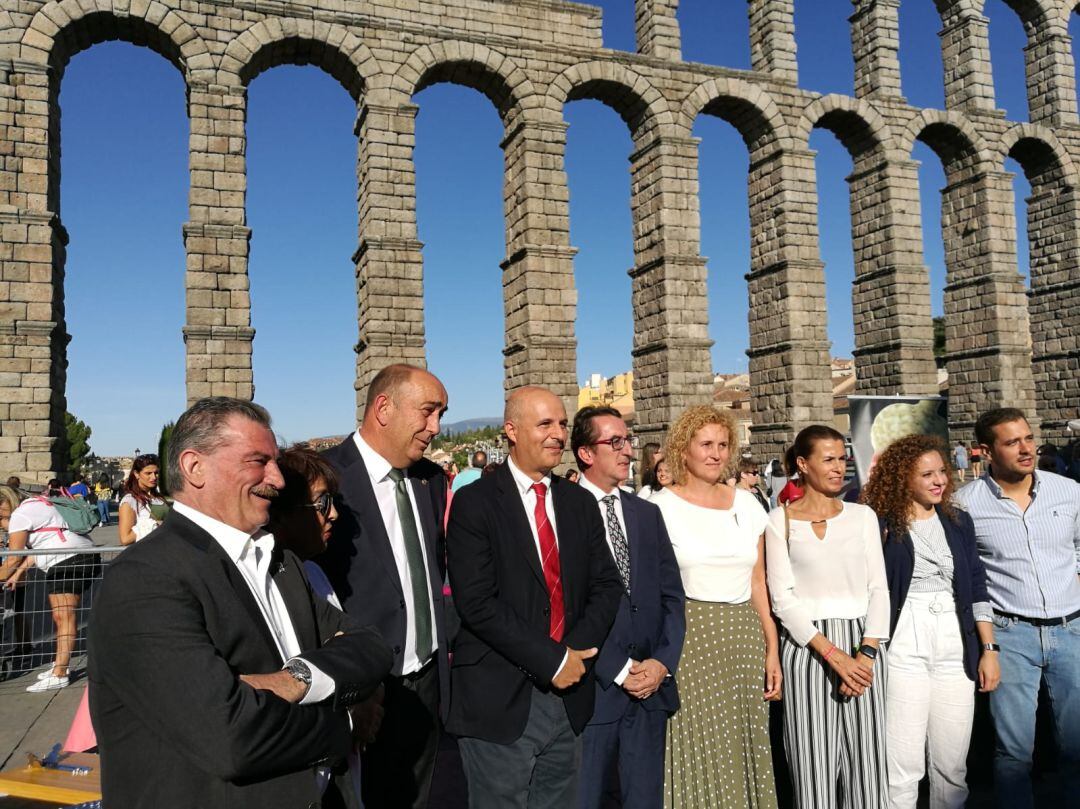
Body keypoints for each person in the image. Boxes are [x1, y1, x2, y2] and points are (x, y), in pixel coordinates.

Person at [88, 397, 393, 809]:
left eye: (275, 462)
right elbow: (231, 737)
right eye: (258, 461)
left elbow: (370, 644)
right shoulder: (145, 578)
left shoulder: (281, 562)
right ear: (195, 467)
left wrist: (296, 679)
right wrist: (349, 720)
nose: (278, 480)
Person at [446, 386, 623, 808]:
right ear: (511, 430)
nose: (558, 434)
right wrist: (553, 659)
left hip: (569, 696)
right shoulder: (474, 502)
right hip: (500, 698)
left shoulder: (578, 501)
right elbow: (476, 602)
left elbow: (606, 585)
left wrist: (575, 653)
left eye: (562, 424)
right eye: (545, 424)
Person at [319, 364, 450, 809]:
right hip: (361, 692)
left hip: (427, 683)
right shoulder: (327, 480)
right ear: (383, 408)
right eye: (428, 412)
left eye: (441, 415)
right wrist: (346, 691)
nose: (435, 428)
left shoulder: (432, 480)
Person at [650, 406, 780, 808]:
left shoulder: (747, 504)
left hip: (743, 635)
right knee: (694, 742)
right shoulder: (656, 505)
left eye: (723, 445)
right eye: (705, 444)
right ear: (682, 450)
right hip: (688, 639)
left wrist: (771, 647)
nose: (716, 453)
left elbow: (759, 581)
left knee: (744, 741)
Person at [861, 434, 1000, 809]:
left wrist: (988, 648)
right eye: (927, 474)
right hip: (904, 640)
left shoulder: (958, 522)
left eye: (942, 471)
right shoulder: (879, 524)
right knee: (901, 768)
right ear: (902, 477)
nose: (939, 480)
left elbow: (976, 584)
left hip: (956, 642)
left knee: (952, 766)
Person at [954, 408, 1080, 809]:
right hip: (1010, 635)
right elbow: (970, 578)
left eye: (1028, 438)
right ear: (986, 451)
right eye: (1012, 442)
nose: (1026, 449)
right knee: (1013, 754)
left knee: (1076, 748)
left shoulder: (1068, 490)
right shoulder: (965, 505)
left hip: (1071, 630)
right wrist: (988, 646)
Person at [765, 425, 890, 809]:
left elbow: (879, 589)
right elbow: (782, 598)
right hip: (807, 649)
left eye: (843, 459)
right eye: (829, 459)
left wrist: (866, 655)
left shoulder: (863, 516)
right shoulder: (778, 520)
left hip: (864, 644)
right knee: (811, 767)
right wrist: (832, 654)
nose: (839, 468)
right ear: (802, 464)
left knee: (868, 768)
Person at [571, 406, 685, 809]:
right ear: (586, 453)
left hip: (651, 688)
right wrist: (617, 669)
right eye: (615, 442)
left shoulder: (646, 513)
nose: (628, 451)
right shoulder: (563, 512)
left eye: (628, 441)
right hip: (596, 688)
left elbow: (672, 596)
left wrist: (662, 663)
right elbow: (566, 609)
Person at [0, 483, 98, 692]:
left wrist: (9, 572)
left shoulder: (20, 515)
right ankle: (59, 664)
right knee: (62, 616)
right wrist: (18, 573)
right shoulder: (38, 504)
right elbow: (43, 543)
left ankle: (60, 673)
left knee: (64, 617)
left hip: (67, 560)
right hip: (82, 556)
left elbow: (12, 559)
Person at [118, 454, 167, 545]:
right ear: (137, 474)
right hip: (146, 553)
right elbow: (125, 539)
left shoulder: (158, 497)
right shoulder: (130, 501)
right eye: (148, 473)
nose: (154, 477)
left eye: (156, 473)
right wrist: (155, 524)